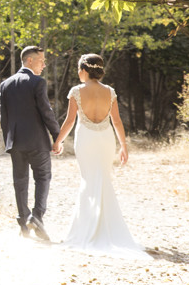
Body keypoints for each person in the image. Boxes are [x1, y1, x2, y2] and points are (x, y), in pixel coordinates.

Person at [52, 53, 149, 258]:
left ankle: (86, 230)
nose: (78, 73)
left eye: (79, 69)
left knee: (88, 179)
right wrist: (123, 146)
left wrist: (58, 141)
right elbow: (117, 121)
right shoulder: (110, 92)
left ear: (84, 70)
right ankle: (108, 229)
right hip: (106, 139)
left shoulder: (76, 91)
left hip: (86, 138)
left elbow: (69, 121)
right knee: (103, 179)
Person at [0, 45, 62, 241]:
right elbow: (46, 112)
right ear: (30, 60)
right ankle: (37, 217)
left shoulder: (5, 84)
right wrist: (57, 136)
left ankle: (23, 224)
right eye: (41, 61)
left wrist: (8, 142)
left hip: (15, 142)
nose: (44, 65)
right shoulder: (37, 82)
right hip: (37, 141)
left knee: (20, 182)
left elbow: (3, 118)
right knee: (43, 177)